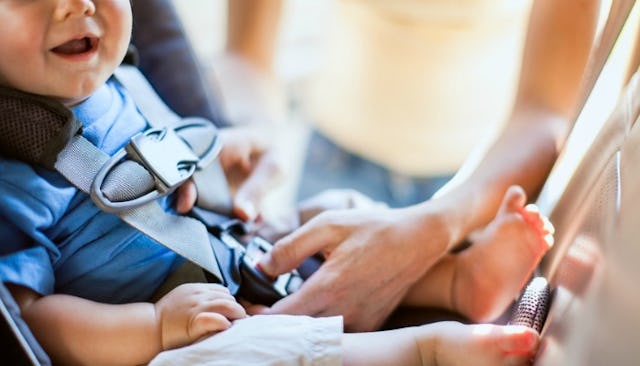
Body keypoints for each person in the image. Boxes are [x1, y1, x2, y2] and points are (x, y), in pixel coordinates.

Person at [0, 0, 547, 365]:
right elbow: (32, 317)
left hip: (230, 252)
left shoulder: (124, 82)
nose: (77, 5)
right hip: (172, 332)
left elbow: (173, 152)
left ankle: (456, 280)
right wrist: (155, 326)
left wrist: (216, 149)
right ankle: (424, 351)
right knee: (257, 352)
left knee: (329, 213)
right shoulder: (12, 173)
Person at [220, 0, 603, 331]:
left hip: (480, 188)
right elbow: (245, 57)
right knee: (292, 278)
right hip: (334, 167)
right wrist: (252, 129)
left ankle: (461, 278)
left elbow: (546, 112)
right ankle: (460, 279)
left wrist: (438, 223)